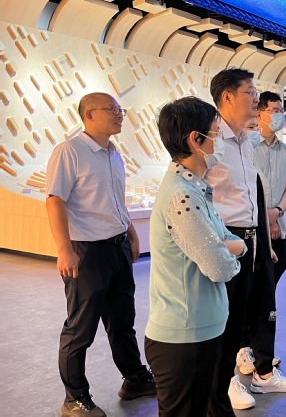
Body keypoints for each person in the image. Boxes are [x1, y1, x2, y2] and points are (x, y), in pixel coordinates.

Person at [46, 92, 155, 417]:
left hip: (117, 248)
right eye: (113, 110)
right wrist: (64, 250)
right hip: (86, 252)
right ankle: (75, 398)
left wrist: (131, 233)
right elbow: (55, 200)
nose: (120, 115)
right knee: (80, 329)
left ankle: (135, 379)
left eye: (121, 110)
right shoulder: (69, 151)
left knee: (122, 322)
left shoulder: (113, 153)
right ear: (89, 114)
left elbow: (116, 200)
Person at [145, 97, 250, 416]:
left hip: (200, 331)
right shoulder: (182, 195)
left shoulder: (195, 188)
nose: (221, 141)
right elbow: (220, 267)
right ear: (196, 139)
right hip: (183, 338)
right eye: (216, 133)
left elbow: (228, 240)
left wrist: (228, 246)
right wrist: (230, 249)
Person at [206, 69, 286, 417]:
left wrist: (262, 242)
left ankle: (242, 377)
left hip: (252, 239)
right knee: (222, 318)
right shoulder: (211, 140)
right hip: (223, 239)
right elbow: (201, 195)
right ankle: (221, 387)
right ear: (228, 96)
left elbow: (252, 198)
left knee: (247, 314)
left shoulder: (247, 142)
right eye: (250, 92)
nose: (256, 99)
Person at [254, 91, 286, 284]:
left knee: (278, 270)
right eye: (275, 111)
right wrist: (268, 219)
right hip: (256, 228)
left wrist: (277, 212)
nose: (280, 115)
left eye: (282, 111)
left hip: (280, 226)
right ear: (259, 114)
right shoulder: (249, 147)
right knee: (256, 282)